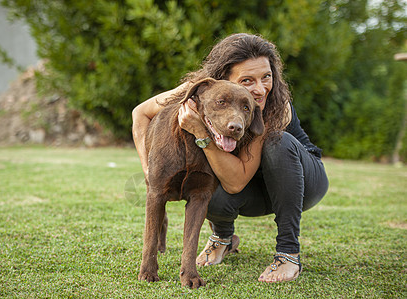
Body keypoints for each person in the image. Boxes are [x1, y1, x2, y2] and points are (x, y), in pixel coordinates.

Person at [132, 33, 329, 283]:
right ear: (223, 78)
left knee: (276, 143)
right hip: (255, 185)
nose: (260, 89)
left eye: (266, 77)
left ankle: (288, 254)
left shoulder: (276, 107)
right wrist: (149, 169)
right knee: (204, 186)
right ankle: (222, 238)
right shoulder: (202, 89)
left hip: (301, 182)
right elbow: (140, 113)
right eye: (247, 80)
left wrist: (202, 133)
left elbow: (236, 182)